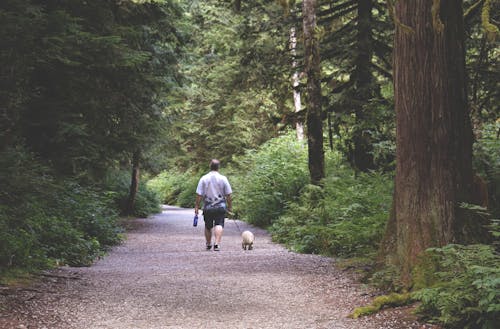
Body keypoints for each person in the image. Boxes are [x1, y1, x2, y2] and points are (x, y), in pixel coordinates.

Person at [195, 159, 232, 251]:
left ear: (210, 166)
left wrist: (196, 206)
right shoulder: (223, 178)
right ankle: (217, 244)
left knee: (208, 226)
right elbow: (228, 194)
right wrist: (230, 206)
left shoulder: (203, 178)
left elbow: (199, 194)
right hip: (220, 205)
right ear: (218, 167)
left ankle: (208, 244)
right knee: (219, 224)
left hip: (208, 206)